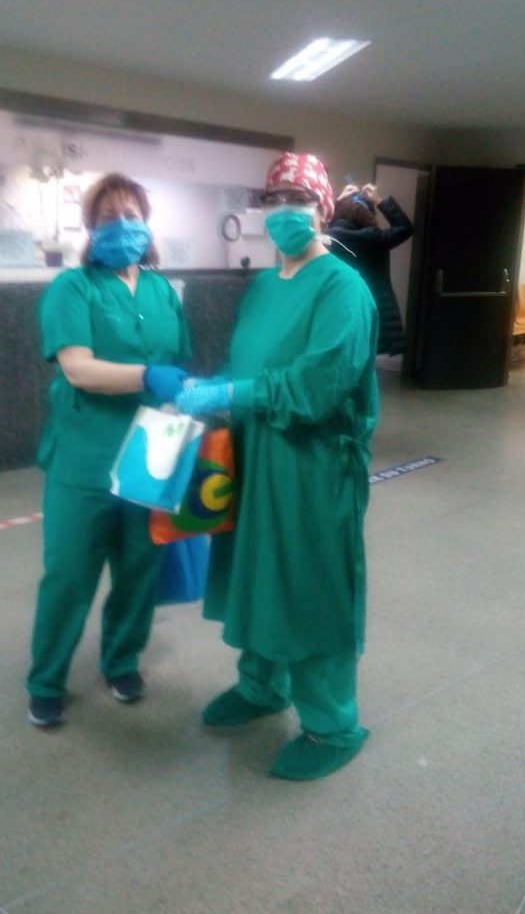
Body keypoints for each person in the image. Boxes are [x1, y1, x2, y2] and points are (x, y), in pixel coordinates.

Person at [176, 152, 379, 781]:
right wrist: (218, 391)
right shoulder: (265, 287)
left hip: (313, 468)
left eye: (299, 198)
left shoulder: (343, 289)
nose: (285, 209)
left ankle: (331, 724)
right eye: (275, 198)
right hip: (256, 454)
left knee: (310, 585)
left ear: (322, 210)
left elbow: (319, 386)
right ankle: (263, 686)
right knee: (257, 573)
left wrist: (233, 394)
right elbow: (254, 364)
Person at [26, 172, 191, 728]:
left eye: (132, 214)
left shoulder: (163, 290)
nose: (123, 226)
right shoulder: (72, 289)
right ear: (91, 228)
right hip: (85, 457)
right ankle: (46, 680)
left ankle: (121, 660)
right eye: (110, 217)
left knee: (140, 566)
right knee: (70, 573)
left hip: (151, 451)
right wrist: (149, 373)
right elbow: (78, 368)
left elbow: (179, 367)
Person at [327, 183, 414, 356]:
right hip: (373, 309)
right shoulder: (374, 238)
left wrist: (337, 202)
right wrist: (379, 200)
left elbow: (313, 228)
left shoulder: (328, 238)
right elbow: (405, 228)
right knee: (365, 362)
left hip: (338, 308)